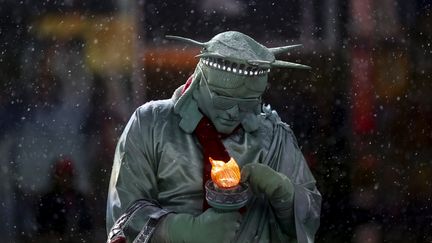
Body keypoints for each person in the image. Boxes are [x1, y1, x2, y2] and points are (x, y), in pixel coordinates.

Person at [106, 31, 321, 243]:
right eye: (223, 100)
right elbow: (122, 216)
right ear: (200, 79)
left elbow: (309, 220)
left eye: (247, 103)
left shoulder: (274, 137)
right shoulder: (150, 124)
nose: (233, 113)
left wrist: (286, 196)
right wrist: (182, 231)